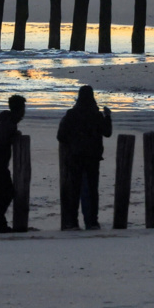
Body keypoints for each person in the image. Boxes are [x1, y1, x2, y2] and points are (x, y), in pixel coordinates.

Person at [57, 85, 112, 230]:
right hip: (93, 157)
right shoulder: (96, 115)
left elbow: (61, 136)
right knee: (92, 190)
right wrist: (108, 117)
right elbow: (107, 132)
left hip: (75, 156)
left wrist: (72, 142)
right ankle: (92, 221)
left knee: (74, 190)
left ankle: (72, 222)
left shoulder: (71, 114)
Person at [0, 94, 26, 233]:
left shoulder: (8, 123)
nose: (24, 113)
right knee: (6, 193)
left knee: (2, 194)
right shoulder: (9, 125)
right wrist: (13, 137)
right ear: (19, 110)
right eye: (23, 109)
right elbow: (0, 143)